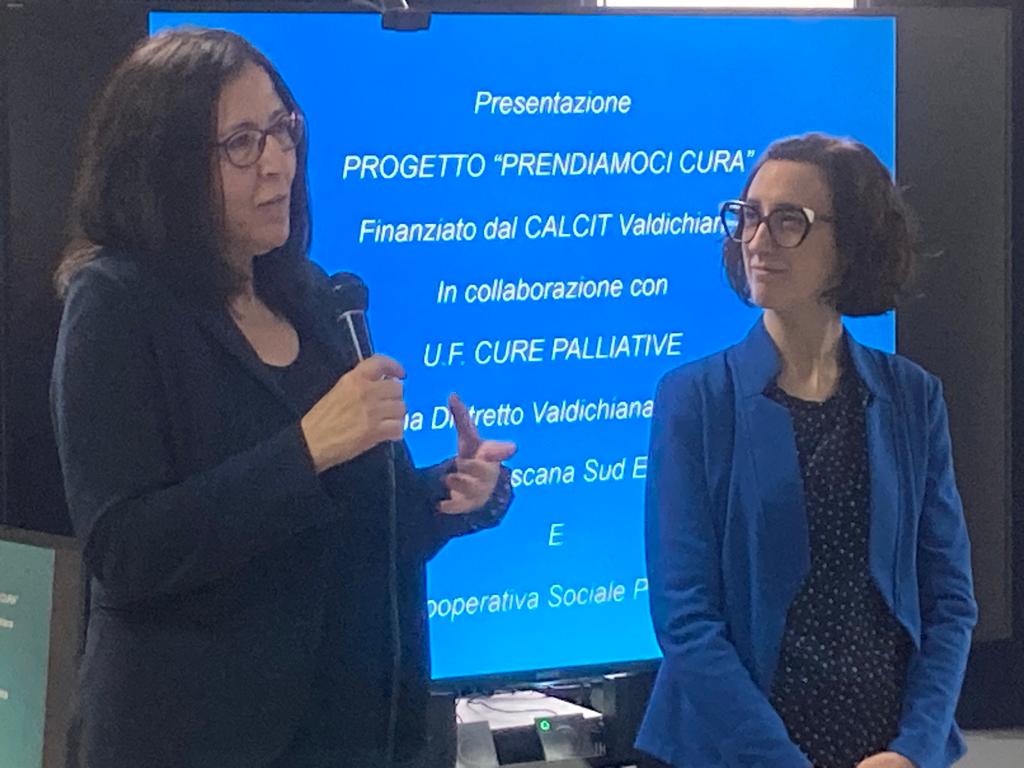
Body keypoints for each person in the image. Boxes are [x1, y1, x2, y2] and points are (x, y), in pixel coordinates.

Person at [51, 28, 515, 768]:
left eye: (282, 130)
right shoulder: (117, 303)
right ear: (164, 165)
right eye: (241, 143)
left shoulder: (309, 292)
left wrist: (457, 496)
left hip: (354, 729)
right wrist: (306, 448)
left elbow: (354, 530)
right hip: (194, 738)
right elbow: (127, 551)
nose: (278, 163)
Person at [636, 134, 977, 768]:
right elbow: (686, 619)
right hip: (734, 751)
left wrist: (914, 750)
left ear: (852, 244)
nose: (757, 240)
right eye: (749, 215)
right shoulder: (694, 399)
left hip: (884, 750)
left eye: (788, 220)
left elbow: (950, 602)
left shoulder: (912, 397)